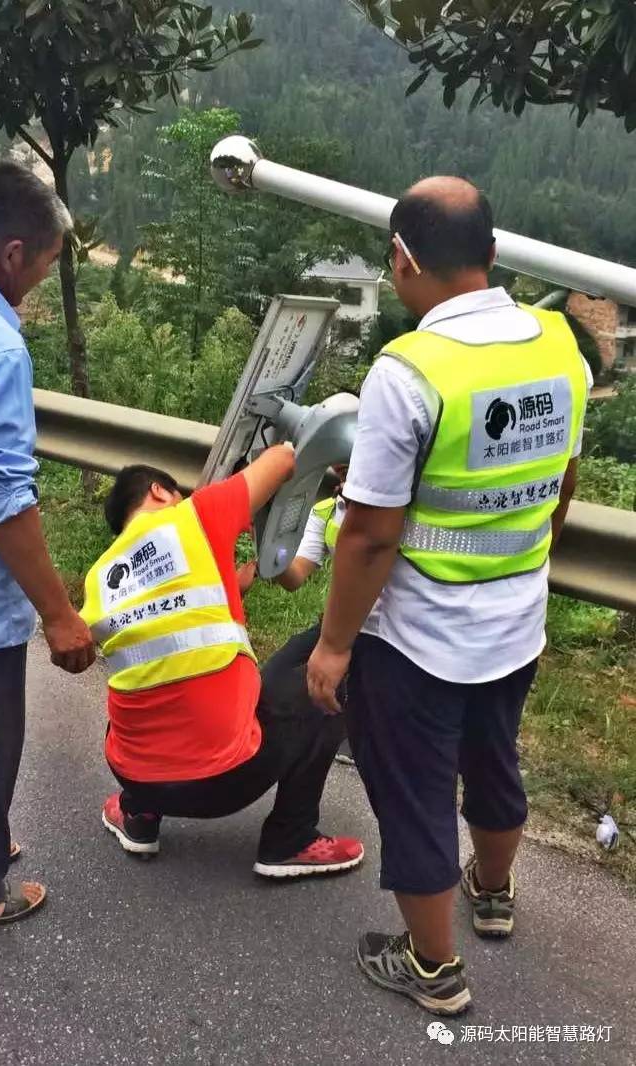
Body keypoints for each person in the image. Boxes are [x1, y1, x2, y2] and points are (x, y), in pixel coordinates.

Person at [307, 177, 591, 1014]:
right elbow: (562, 480)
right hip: (517, 621)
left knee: (416, 792)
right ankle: (492, 893)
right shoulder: (558, 346)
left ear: (401, 260)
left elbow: (369, 534)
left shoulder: (409, 371)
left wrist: (333, 645)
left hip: (420, 636)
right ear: (492, 253)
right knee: (494, 761)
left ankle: (432, 967)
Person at [0, 163, 95, 938]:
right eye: (45, 262)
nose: (39, 278)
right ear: (12, 254)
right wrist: (59, 615)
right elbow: (5, 502)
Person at [80, 455, 364, 878]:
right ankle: (291, 838)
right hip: (224, 785)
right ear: (160, 491)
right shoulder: (194, 515)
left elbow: (171, 615)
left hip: (132, 774)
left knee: (143, 685)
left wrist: (233, 585)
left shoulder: (101, 577)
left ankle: (138, 815)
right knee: (332, 678)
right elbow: (285, 456)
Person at [264, 465, 354, 766]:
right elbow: (295, 576)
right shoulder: (327, 511)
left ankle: (351, 733)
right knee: (270, 682)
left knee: (324, 715)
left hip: (384, 633)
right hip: (335, 626)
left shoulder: (397, 508)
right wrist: (269, 549)